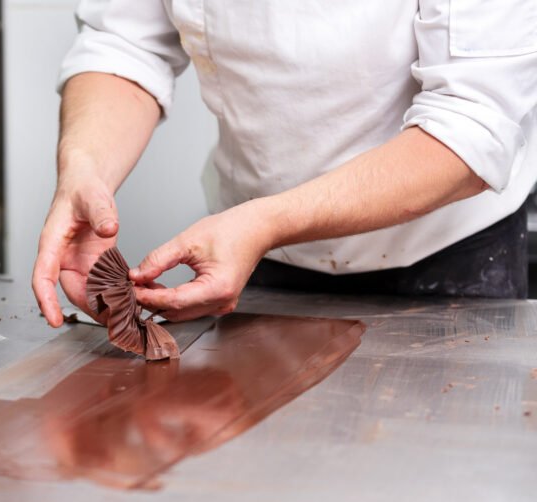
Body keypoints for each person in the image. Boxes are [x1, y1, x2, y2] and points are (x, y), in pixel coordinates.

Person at [33, 1, 537, 327]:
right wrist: (85, 168)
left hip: (449, 259)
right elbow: (126, 44)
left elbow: (470, 122)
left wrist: (265, 222)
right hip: (255, 260)